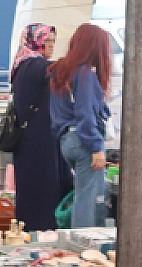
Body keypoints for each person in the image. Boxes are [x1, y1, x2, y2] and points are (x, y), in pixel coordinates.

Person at [6, 23, 71, 232]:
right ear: (36, 41)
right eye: (47, 40)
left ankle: (30, 230)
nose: (51, 45)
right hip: (38, 141)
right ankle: (42, 233)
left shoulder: (21, 65)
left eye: (53, 41)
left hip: (29, 140)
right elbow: (60, 68)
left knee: (31, 188)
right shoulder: (34, 65)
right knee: (43, 188)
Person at [48, 21, 113, 229]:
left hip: (67, 139)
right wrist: (96, 147)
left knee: (86, 194)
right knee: (88, 200)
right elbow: (85, 113)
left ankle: (83, 241)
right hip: (83, 140)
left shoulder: (59, 71)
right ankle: (83, 245)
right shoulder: (85, 74)